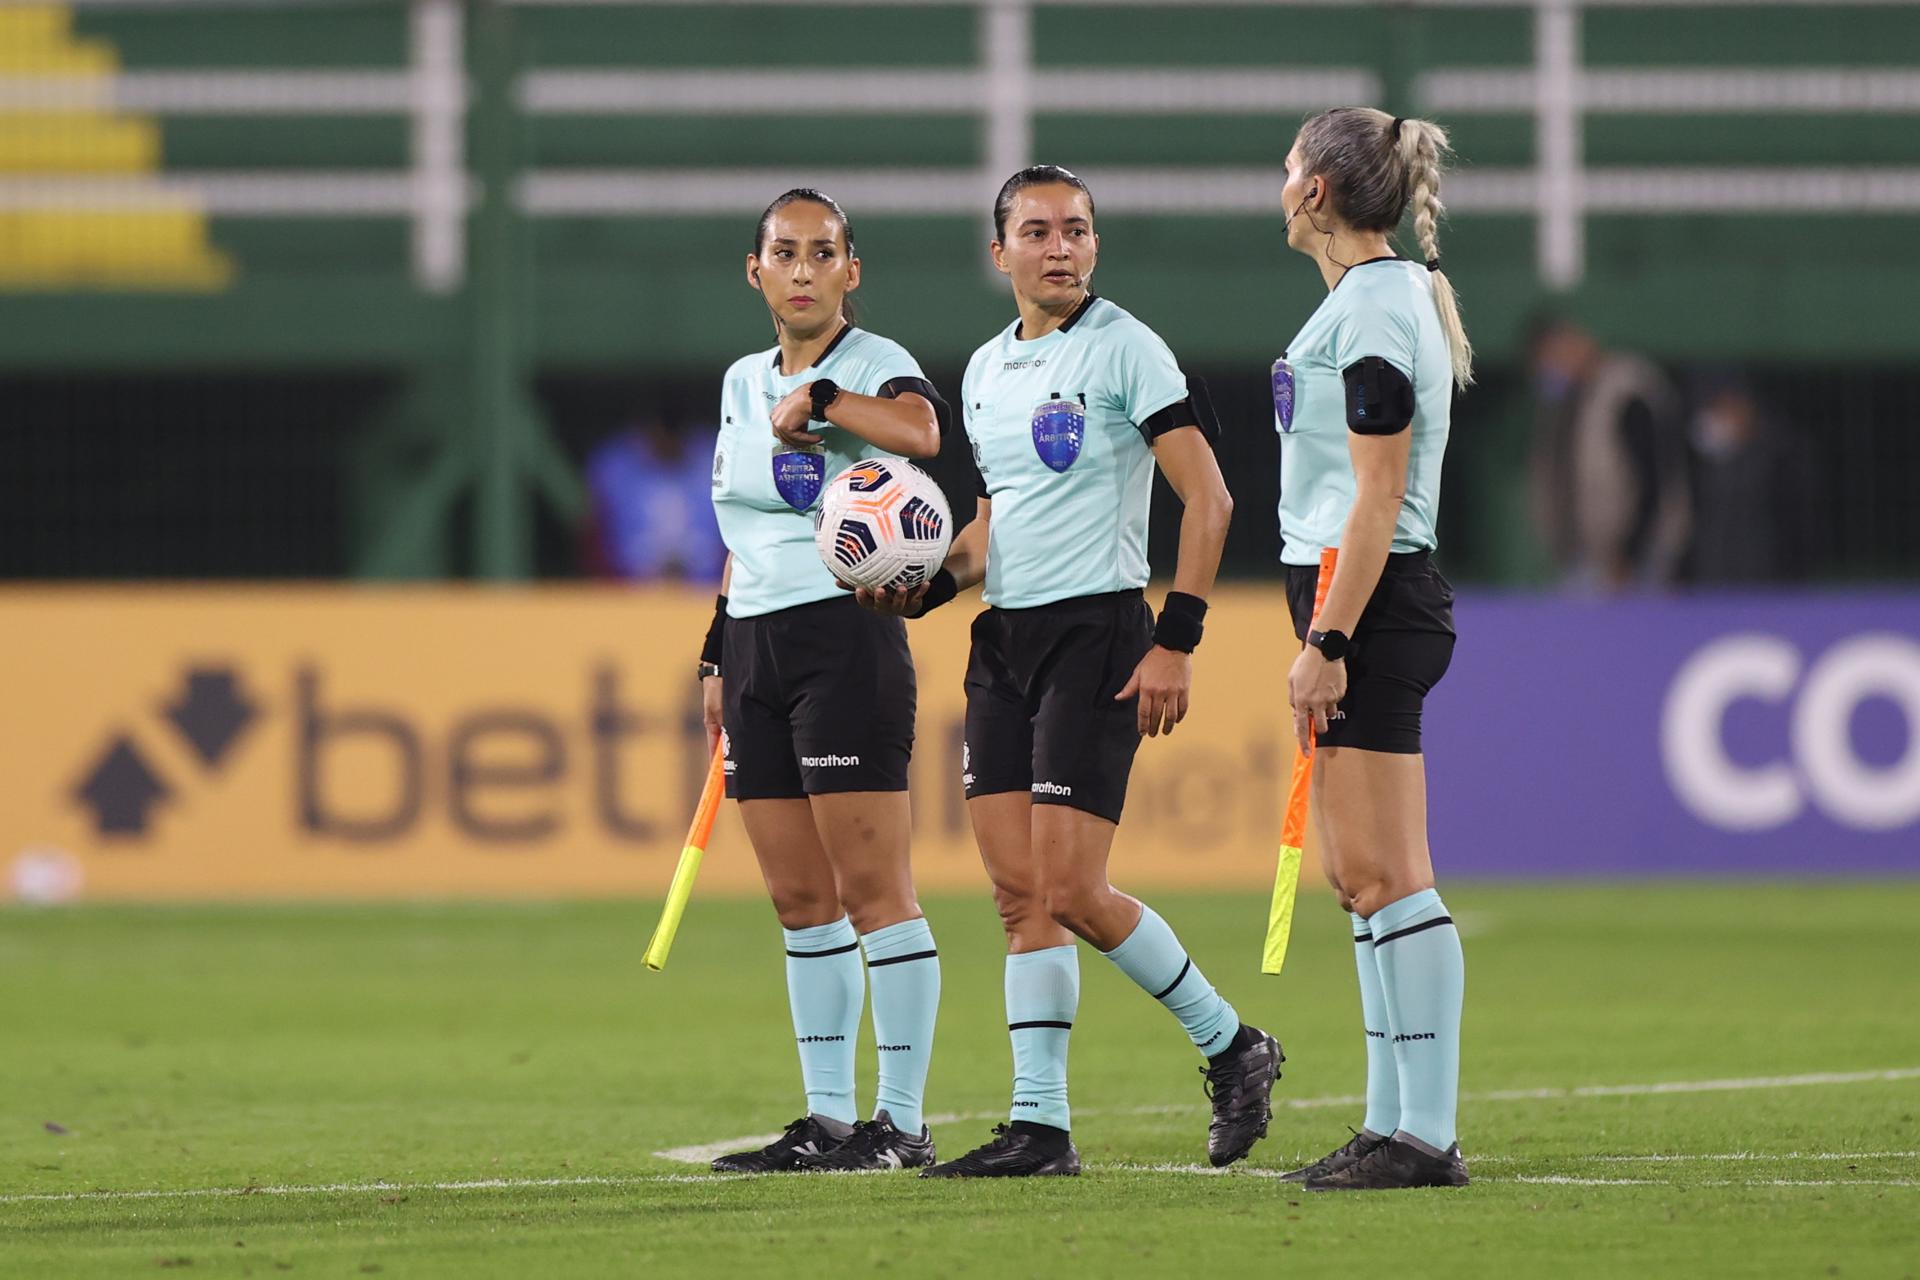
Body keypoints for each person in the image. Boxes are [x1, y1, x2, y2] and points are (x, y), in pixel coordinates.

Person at [859, 165, 1279, 1179]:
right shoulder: (988, 370)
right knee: (1019, 895)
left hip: (1099, 631)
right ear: (998, 251)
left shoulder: (1127, 348)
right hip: (1005, 641)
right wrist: (928, 582)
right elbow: (997, 518)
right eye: (1039, 231)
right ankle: (1041, 1125)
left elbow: (1209, 499)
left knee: (1074, 885)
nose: (1061, 247)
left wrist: (1176, 638)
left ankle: (1233, 1043)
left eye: (1078, 230)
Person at [701, 189, 950, 1173]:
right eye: (784, 252)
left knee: (873, 887)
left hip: (844, 637)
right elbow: (740, 527)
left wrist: (830, 405)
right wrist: (719, 650)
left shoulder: (872, 365)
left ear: (852, 271)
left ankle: (902, 1120)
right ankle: (830, 1118)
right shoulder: (737, 381)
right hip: (756, 641)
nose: (802, 269)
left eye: (823, 253)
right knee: (799, 896)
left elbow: (923, 434)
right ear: (754, 270)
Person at [1269, 107, 1472, 1190]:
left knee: (1391, 872)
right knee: (1356, 877)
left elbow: (1381, 490)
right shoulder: (1368, 301)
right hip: (1351, 592)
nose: (1281, 183)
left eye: (1289, 167)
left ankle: (1425, 1135)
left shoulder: (1377, 313)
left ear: (1317, 195)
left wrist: (1330, 635)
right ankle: (1391, 1117)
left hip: (1373, 602)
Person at [1528, 314, 1690, 591]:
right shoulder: (1567, 403)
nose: (1550, 370)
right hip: (1587, 559)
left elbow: (1653, 480)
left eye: (1552, 359)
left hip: (1637, 562)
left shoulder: (1627, 391)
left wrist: (1630, 554)